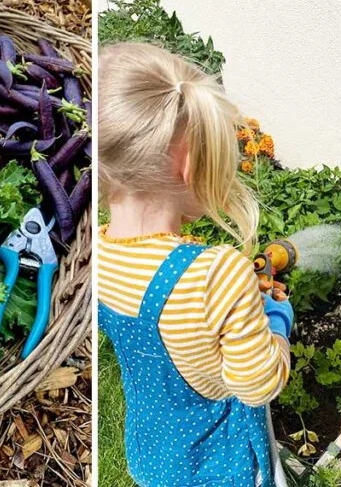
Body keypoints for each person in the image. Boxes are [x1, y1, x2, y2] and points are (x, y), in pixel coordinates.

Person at [97, 43, 293, 487]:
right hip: (219, 465)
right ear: (188, 161)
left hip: (154, 454)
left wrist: (233, 314)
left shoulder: (98, 254)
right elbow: (258, 385)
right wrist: (277, 320)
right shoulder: (217, 274)